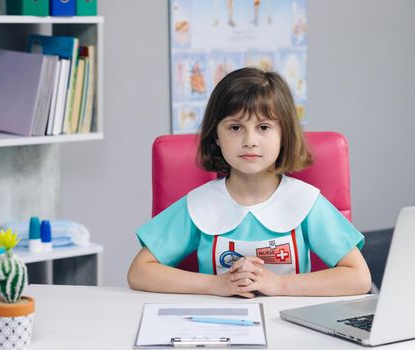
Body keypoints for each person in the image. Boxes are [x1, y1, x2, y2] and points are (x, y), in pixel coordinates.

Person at [128, 67, 371, 298]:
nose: (250, 140)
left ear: (284, 135)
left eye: (263, 127)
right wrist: (216, 285)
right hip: (214, 326)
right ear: (216, 137)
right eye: (235, 127)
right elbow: (140, 271)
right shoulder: (199, 204)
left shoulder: (305, 202)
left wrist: (278, 284)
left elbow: (359, 277)